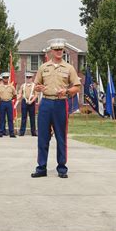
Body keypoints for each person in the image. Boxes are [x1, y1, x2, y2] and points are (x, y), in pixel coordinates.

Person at [31, 39, 81, 178]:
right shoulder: (44, 67)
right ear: (51, 51)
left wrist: (67, 92)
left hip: (60, 103)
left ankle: (62, 168)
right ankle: (41, 168)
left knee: (61, 136)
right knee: (42, 137)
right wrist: (38, 88)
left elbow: (77, 86)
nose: (59, 52)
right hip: (46, 103)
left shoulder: (69, 68)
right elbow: (36, 85)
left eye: (61, 50)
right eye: (56, 49)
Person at [0, 71, 17, 137]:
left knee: (10, 118)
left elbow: (15, 95)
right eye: (4, 78)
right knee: (1, 118)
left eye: (7, 78)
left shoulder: (11, 87)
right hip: (2, 102)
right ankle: (0, 132)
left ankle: (11, 133)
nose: (5, 79)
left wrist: (10, 99)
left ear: (8, 78)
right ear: (2, 79)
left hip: (9, 103)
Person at [19, 72, 38, 136]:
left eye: (29, 77)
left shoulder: (34, 86)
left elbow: (36, 95)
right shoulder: (23, 85)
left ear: (32, 78)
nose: (28, 79)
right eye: (27, 77)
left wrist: (31, 101)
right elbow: (20, 93)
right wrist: (19, 96)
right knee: (24, 117)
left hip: (31, 102)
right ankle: (22, 132)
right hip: (24, 101)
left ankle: (33, 132)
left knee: (32, 118)